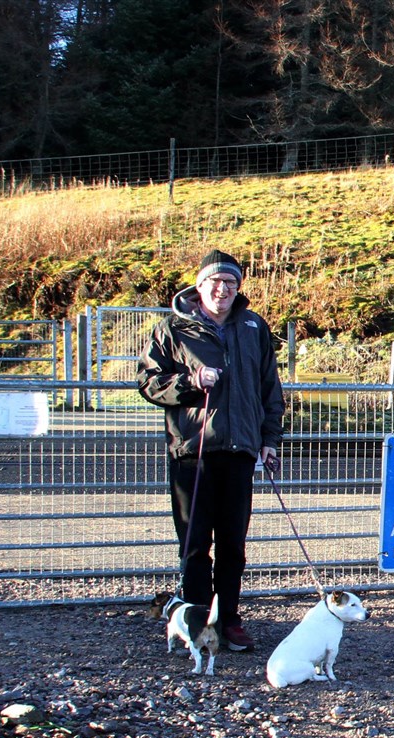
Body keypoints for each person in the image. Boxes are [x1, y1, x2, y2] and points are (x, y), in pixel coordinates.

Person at [138, 249, 284, 652]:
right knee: (195, 542)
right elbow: (149, 383)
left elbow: (269, 390)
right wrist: (191, 380)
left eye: (231, 283)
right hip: (193, 450)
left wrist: (269, 441)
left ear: (239, 288)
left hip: (240, 450)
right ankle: (197, 619)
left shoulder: (254, 326)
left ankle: (230, 619)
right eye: (215, 282)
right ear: (199, 286)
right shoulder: (173, 329)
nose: (222, 289)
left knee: (234, 544)